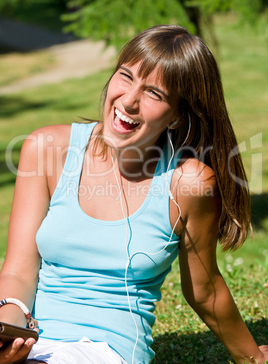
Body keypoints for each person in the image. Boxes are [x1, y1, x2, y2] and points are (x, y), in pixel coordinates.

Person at [0, 25, 267, 364]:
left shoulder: (186, 184)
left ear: (177, 116)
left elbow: (205, 289)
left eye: (154, 94)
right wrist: (9, 333)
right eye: (125, 76)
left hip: (106, 351)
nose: (128, 100)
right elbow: (18, 271)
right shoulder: (46, 149)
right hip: (32, 342)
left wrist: (252, 357)